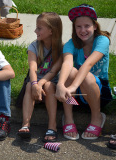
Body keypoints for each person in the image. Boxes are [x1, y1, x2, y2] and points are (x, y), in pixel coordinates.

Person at [55, 4, 111, 140]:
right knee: (70, 70)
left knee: (85, 74)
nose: (83, 30)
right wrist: (60, 85)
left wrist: (72, 86)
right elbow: (67, 63)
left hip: (99, 92)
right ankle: (68, 118)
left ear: (95, 26)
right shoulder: (71, 43)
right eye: (78, 26)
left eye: (87, 26)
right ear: (74, 28)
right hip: (78, 95)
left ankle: (96, 117)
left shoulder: (102, 40)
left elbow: (88, 64)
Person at [17, 12, 63, 142]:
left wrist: (40, 84)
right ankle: (25, 125)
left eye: (39, 28)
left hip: (50, 82)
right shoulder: (34, 46)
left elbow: (53, 71)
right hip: (35, 79)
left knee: (48, 86)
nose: (35, 30)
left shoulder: (61, 49)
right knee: (28, 85)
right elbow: (32, 68)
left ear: (51, 30)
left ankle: (52, 126)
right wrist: (35, 84)